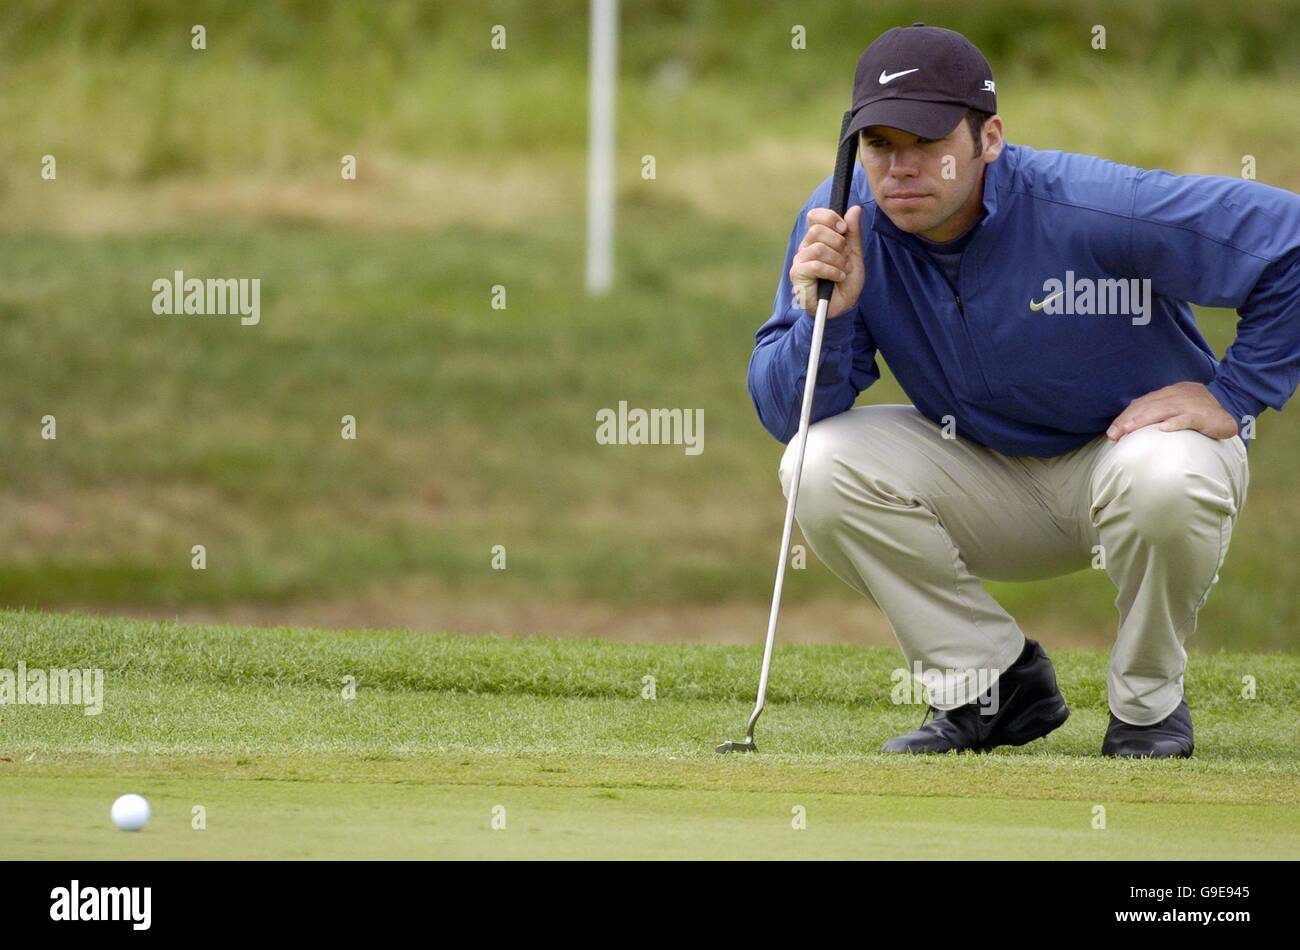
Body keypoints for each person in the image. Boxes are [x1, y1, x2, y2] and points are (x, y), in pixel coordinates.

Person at [748, 23, 1300, 758]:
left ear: (991, 138)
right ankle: (993, 690)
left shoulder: (1091, 202)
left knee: (1167, 477)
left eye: (928, 142)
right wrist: (833, 318)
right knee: (815, 464)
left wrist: (1234, 394)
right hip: (982, 474)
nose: (901, 168)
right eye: (879, 145)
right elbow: (789, 415)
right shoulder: (843, 221)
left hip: (1134, 463)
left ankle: (1147, 706)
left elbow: (1290, 242)